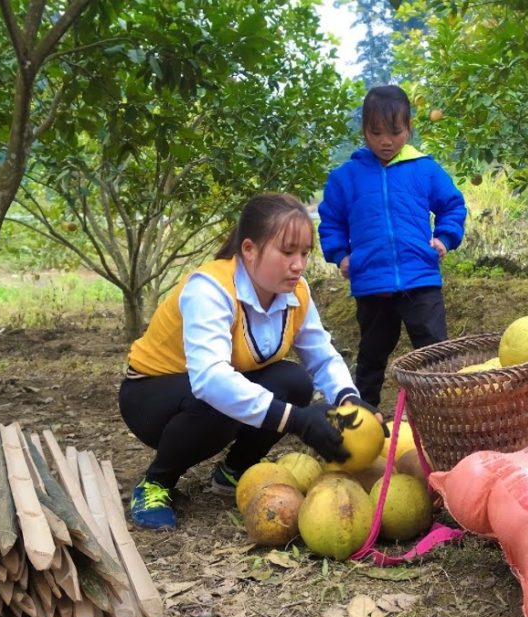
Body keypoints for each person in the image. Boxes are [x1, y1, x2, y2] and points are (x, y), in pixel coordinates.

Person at [118, 192, 381, 530]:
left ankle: (233, 471)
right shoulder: (210, 288)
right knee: (216, 398)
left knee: (294, 382)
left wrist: (348, 397)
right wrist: (297, 421)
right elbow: (211, 378)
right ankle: (157, 482)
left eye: (304, 253)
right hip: (152, 398)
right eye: (287, 252)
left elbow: (321, 353)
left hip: (211, 390)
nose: (298, 264)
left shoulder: (295, 293)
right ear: (249, 250)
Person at [318, 84, 467, 409]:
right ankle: (364, 418)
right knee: (371, 357)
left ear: (409, 128)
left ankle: (446, 414)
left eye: (395, 132)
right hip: (372, 283)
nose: (386, 141)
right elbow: (330, 220)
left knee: (435, 353)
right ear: (364, 132)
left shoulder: (425, 169)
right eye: (376, 132)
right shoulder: (347, 177)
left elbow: (453, 206)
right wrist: (341, 255)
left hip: (420, 279)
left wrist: (444, 237)